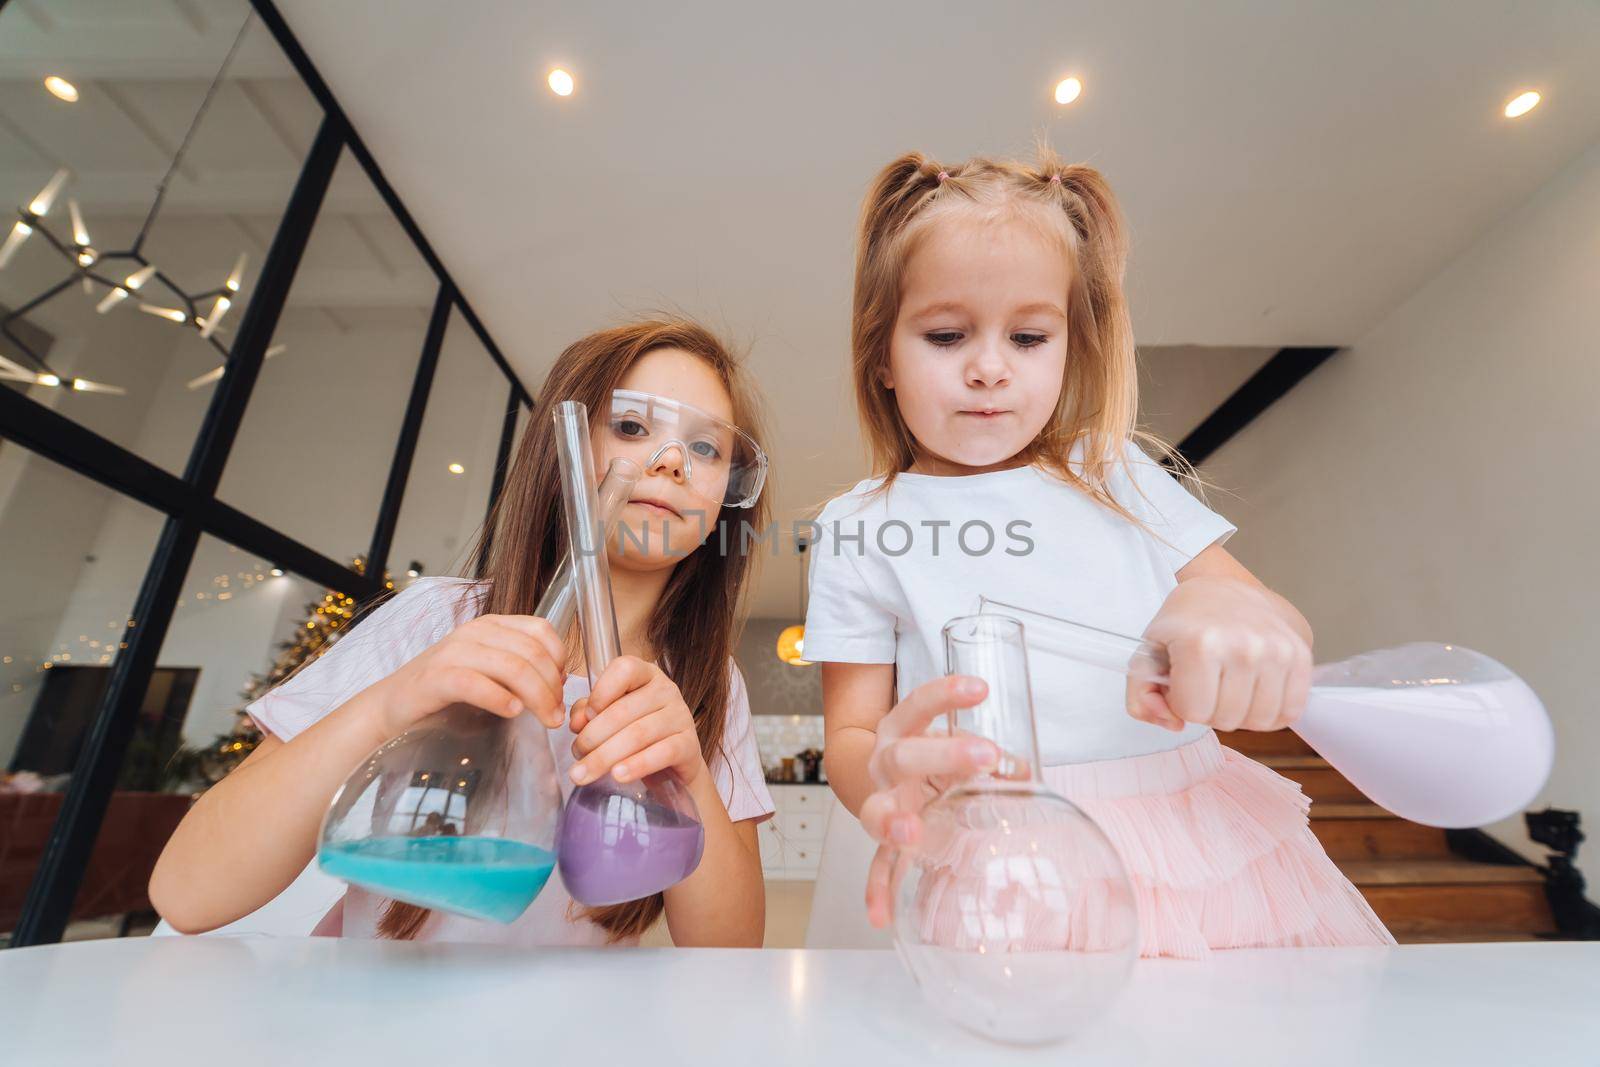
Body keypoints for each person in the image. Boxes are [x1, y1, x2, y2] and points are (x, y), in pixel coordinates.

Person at [803, 151, 1393, 957]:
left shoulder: (1112, 472)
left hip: (1194, 840)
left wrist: (1227, 606)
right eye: (946, 334)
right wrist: (884, 778)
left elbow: (1262, 607)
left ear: (1068, 349)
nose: (987, 366)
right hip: (1007, 856)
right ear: (882, 356)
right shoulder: (861, 525)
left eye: (1029, 335)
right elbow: (852, 735)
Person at [152, 317, 774, 946]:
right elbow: (189, 893)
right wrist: (396, 700)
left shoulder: (709, 683)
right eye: (633, 427)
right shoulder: (438, 621)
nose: (671, 463)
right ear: (564, 451)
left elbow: (733, 951)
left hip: (579, 1041)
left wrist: (688, 772)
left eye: (706, 448)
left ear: (728, 493)